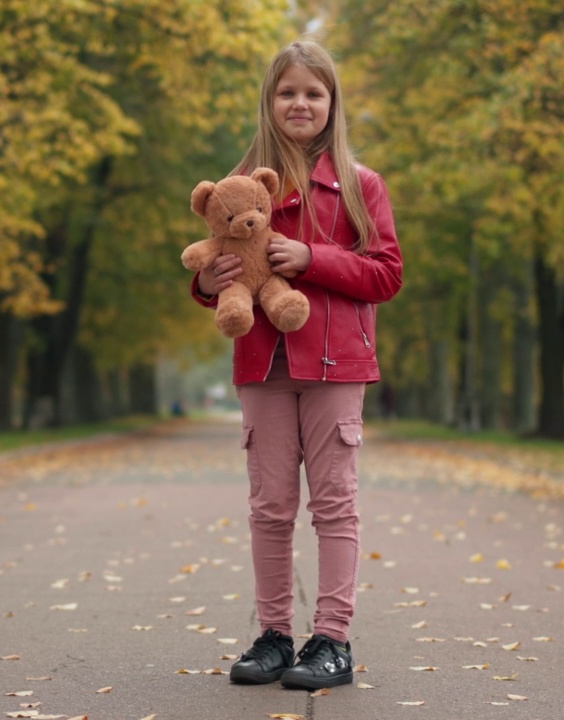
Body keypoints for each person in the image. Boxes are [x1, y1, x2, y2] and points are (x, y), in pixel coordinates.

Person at [189, 39, 403, 690]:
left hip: (337, 365)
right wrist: (210, 282)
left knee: (334, 506)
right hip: (263, 363)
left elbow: (387, 274)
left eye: (314, 93)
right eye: (288, 93)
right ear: (269, 103)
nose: (301, 104)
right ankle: (275, 635)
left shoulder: (360, 186)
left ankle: (332, 641)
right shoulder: (240, 181)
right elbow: (209, 272)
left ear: (333, 104)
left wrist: (312, 260)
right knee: (270, 506)